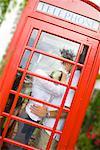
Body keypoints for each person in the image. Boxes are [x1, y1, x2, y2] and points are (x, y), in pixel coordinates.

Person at [31, 49, 81, 150]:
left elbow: (67, 111)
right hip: (46, 125)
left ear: (69, 62)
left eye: (63, 62)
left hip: (52, 130)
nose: (61, 65)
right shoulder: (68, 76)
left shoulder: (75, 78)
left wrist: (47, 114)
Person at [9, 69, 65, 149]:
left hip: (33, 117)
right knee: (18, 144)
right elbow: (58, 91)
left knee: (22, 143)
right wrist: (64, 75)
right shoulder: (40, 75)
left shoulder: (47, 81)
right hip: (29, 117)